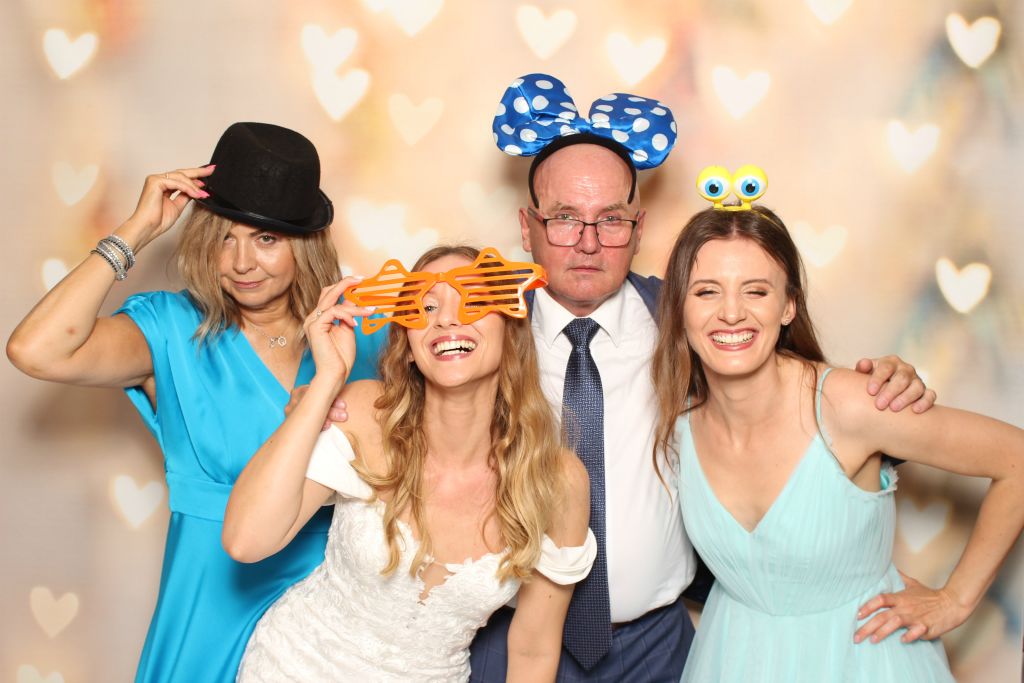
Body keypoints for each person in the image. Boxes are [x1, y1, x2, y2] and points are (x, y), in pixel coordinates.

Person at [467, 74, 937, 681]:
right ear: (526, 226)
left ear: (638, 229)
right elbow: (400, 400)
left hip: (656, 648)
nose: (587, 243)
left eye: (610, 219)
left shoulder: (691, 319)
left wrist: (888, 392)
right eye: (564, 218)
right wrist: (351, 375)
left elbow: (789, 400)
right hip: (511, 640)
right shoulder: (479, 332)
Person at [6, 122, 383, 681]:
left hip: (338, 613)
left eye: (266, 239)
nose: (241, 262)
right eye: (225, 238)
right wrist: (135, 231)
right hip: (213, 603)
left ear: (305, 245)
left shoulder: (364, 331)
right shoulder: (172, 330)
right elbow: (35, 351)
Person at [650, 182, 1024, 681]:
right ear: (680, 308)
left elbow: (1017, 458)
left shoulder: (850, 405)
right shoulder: (677, 426)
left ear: (788, 306)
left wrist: (955, 599)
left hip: (863, 662)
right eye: (706, 291)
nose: (732, 312)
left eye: (756, 290)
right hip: (733, 659)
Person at [223, 244, 595, 682]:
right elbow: (246, 542)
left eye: (473, 300)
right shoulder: (365, 414)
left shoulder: (558, 481)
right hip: (292, 668)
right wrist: (326, 382)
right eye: (427, 307)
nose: (446, 319)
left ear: (510, 331)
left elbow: (533, 650)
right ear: (410, 346)